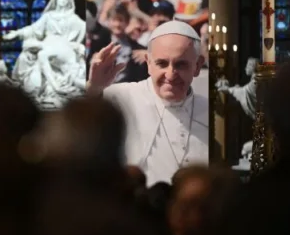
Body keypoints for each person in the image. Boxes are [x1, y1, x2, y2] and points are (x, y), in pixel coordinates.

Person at [88, 20, 209, 185]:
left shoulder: (211, 110)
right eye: (162, 64)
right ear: (148, 64)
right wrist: (94, 87)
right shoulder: (121, 96)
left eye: (181, 65)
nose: (170, 74)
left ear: (197, 66)